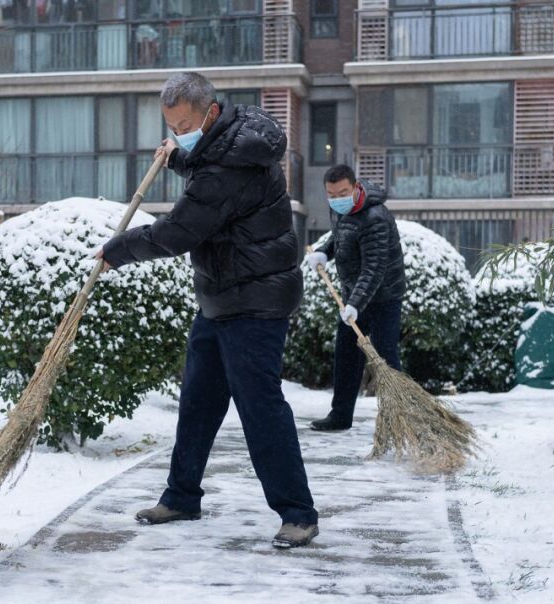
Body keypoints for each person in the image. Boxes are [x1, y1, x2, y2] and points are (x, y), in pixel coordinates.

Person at [97, 72, 319, 549]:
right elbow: (207, 162)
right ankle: (181, 497)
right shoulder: (232, 140)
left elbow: (179, 231)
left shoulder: (228, 170)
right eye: (172, 127)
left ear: (210, 113)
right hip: (220, 298)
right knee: (197, 404)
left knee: (260, 408)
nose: (179, 134)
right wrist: (179, 156)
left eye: (184, 127)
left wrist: (120, 249)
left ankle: (298, 513)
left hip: (255, 301)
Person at [304, 164, 406, 432]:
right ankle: (340, 416)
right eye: (331, 194)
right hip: (354, 295)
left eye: (342, 193)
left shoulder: (375, 217)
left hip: (384, 296)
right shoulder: (340, 209)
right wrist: (324, 251)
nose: (337, 199)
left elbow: (374, 268)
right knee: (346, 356)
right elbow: (342, 236)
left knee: (385, 357)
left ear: (355, 187)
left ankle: (400, 418)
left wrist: (355, 304)